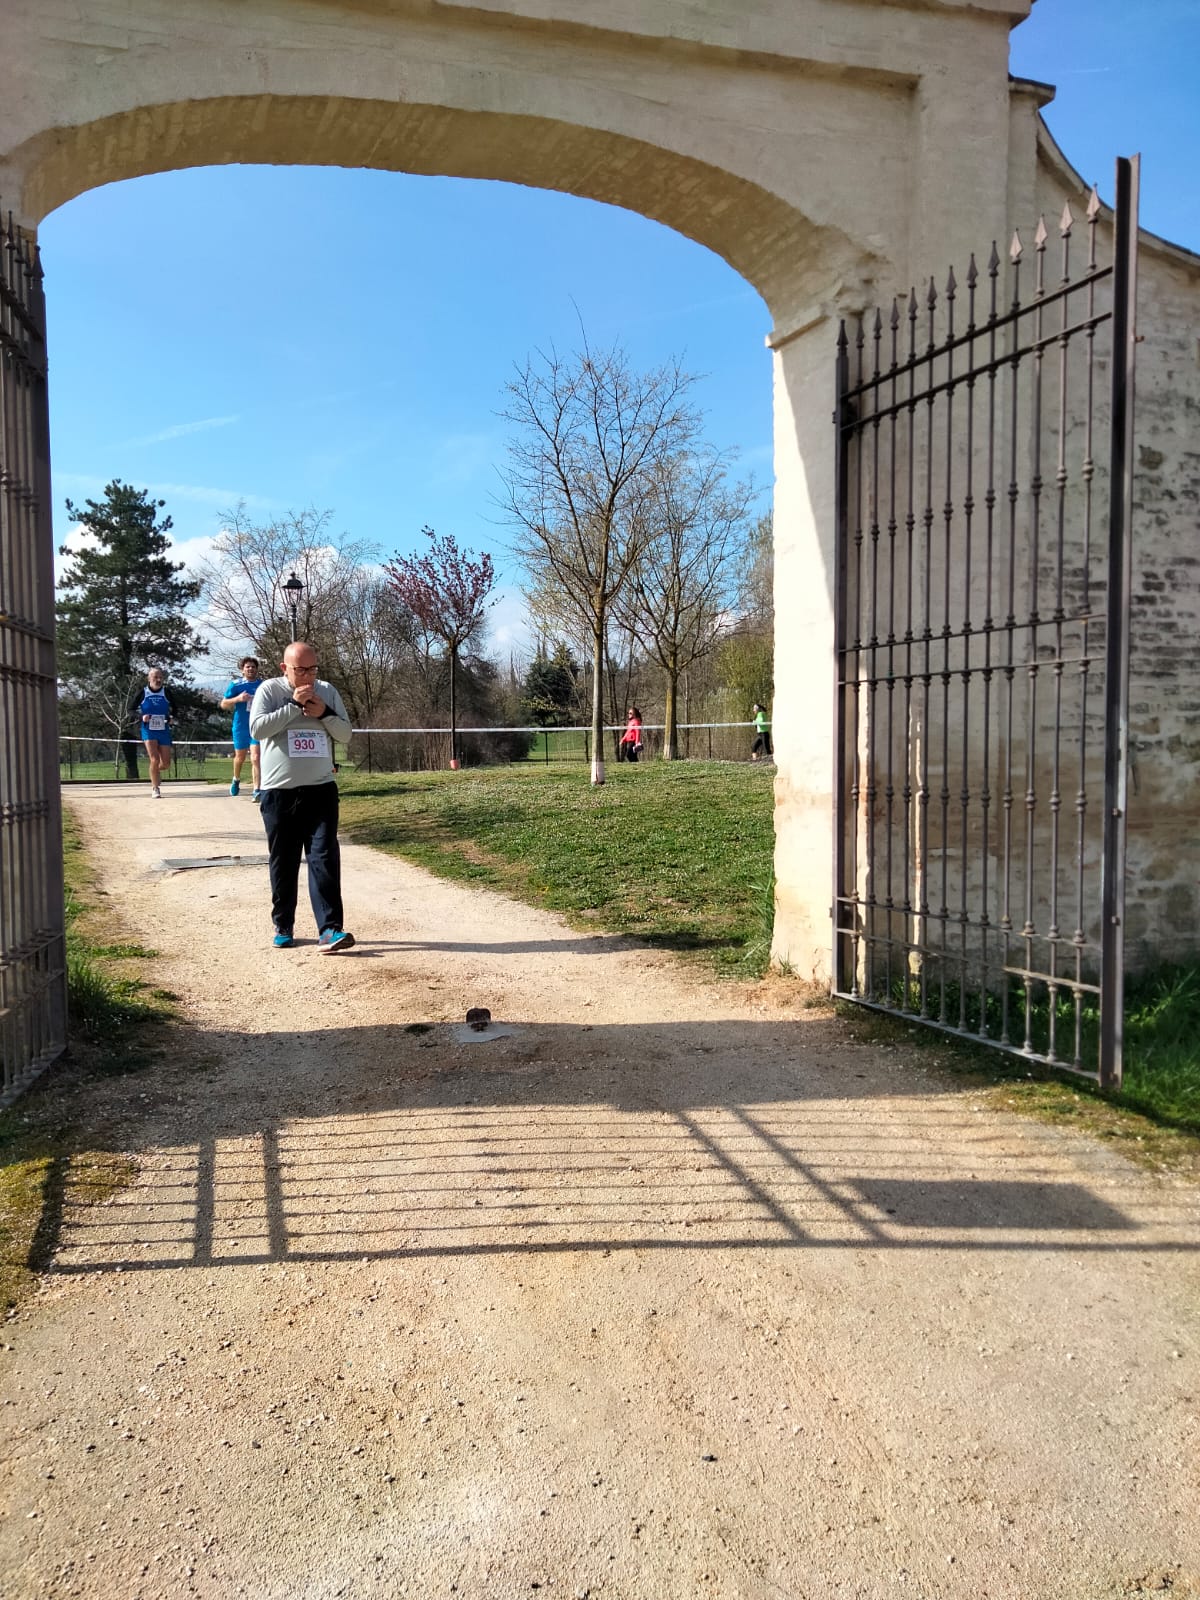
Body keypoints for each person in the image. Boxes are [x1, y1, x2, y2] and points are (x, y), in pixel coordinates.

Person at [249, 641, 356, 952]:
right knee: (283, 860)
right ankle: (283, 924)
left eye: (313, 669)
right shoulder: (270, 691)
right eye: (300, 670)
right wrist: (293, 706)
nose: (308, 676)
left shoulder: (328, 691)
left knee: (324, 857)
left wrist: (324, 713)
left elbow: (345, 734)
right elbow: (257, 730)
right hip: (279, 792)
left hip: (321, 789)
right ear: (285, 668)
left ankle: (330, 929)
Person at [220, 655, 264, 800]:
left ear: (257, 669)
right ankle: (236, 779)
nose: (251, 669)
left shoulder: (262, 685)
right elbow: (223, 704)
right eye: (247, 667)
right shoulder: (236, 685)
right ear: (242, 670)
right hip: (240, 726)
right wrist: (238, 699)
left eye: (253, 667)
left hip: (257, 725)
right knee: (240, 757)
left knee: (256, 757)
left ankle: (257, 789)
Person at [139, 667, 174, 797]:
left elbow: (175, 708)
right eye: (155, 677)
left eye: (160, 677)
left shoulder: (166, 692)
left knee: (166, 764)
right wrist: (141, 717)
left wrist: (171, 717)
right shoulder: (143, 692)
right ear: (149, 679)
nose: (158, 680)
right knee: (154, 759)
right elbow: (130, 709)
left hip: (163, 729)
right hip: (148, 730)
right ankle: (155, 788)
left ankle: (154, 772)